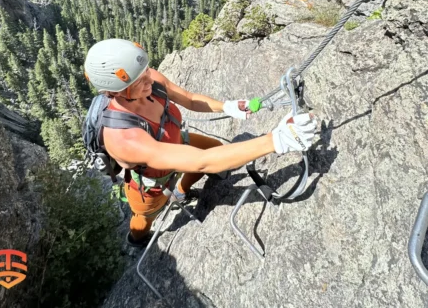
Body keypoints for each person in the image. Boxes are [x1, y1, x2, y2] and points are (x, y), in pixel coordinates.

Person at [84, 39, 317, 247]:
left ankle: (182, 192)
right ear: (115, 92)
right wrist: (276, 140)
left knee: (215, 147)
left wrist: (227, 106)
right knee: (144, 218)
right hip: (151, 183)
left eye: (146, 71)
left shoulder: (147, 80)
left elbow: (191, 100)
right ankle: (137, 240)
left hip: (175, 143)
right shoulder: (123, 137)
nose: (149, 78)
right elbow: (202, 162)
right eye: (138, 80)